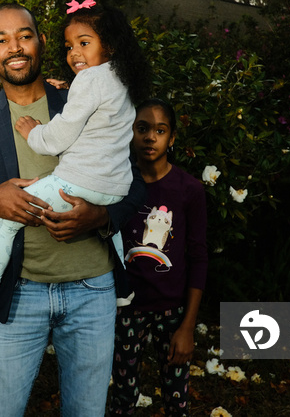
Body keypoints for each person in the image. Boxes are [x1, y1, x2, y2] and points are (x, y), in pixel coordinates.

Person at [0, 2, 147, 416]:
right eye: (1, 39)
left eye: (25, 35)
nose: (14, 47)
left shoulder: (77, 96)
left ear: (41, 42)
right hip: (18, 295)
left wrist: (101, 217)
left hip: (93, 291)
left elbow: (134, 183)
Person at [108, 98, 209, 417]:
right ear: (131, 132)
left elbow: (198, 257)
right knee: (122, 397)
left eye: (160, 130)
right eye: (142, 129)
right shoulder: (116, 183)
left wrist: (188, 327)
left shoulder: (188, 189)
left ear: (172, 138)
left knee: (177, 400)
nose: (150, 137)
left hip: (173, 313)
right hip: (126, 309)